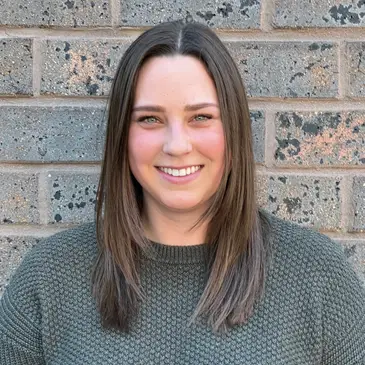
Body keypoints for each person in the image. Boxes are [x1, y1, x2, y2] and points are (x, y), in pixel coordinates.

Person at [0, 20, 364, 365]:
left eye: (201, 117)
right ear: (122, 137)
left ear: (233, 129)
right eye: (150, 119)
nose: (177, 145)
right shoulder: (48, 279)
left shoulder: (317, 276)